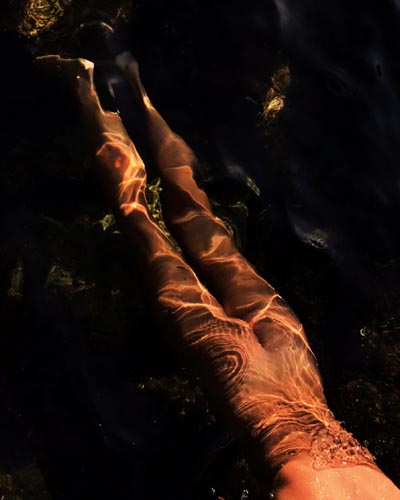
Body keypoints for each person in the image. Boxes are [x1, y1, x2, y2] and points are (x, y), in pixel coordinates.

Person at [34, 51, 400, 499]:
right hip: (237, 374)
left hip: (290, 358)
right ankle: (84, 84)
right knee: (137, 219)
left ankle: (137, 87)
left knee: (200, 219)